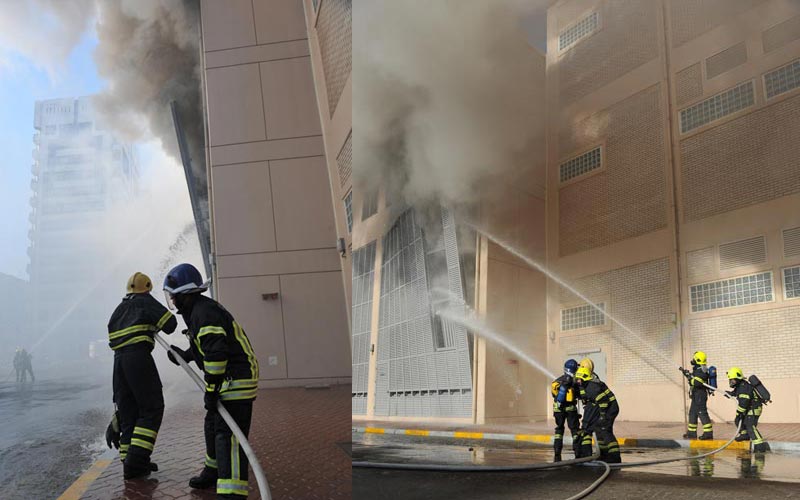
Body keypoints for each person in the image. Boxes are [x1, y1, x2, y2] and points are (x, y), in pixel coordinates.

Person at [163, 263, 259, 499]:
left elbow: (216, 355)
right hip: (228, 380)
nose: (172, 302)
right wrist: (185, 355)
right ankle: (213, 471)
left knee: (230, 438)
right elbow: (207, 346)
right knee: (212, 427)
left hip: (236, 381)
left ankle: (232, 492)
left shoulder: (203, 313)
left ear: (185, 294)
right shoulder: (198, 311)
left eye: (174, 297)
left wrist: (212, 389)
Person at [106, 272, 178, 479]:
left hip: (118, 363)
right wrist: (153, 323)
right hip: (138, 359)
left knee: (129, 414)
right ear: (146, 288)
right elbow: (170, 325)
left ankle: (129, 462)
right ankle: (136, 462)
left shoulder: (118, 310)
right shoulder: (144, 301)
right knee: (151, 408)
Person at [574, 366, 621, 463]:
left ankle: (615, 456)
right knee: (598, 429)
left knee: (605, 430)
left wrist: (603, 416)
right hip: (605, 408)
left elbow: (604, 402)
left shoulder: (592, 387)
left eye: (579, 379)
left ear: (585, 377)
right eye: (577, 379)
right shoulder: (586, 386)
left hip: (610, 409)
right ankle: (604, 454)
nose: (578, 381)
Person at [727, 367, 769, 452]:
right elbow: (736, 393)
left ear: (738, 378)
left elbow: (744, 401)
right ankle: (744, 435)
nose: (731, 382)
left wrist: (739, 412)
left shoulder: (744, 387)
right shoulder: (740, 386)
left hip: (754, 408)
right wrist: (729, 394)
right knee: (738, 420)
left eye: (732, 380)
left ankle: (760, 446)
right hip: (749, 408)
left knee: (750, 426)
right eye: (730, 380)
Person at [550, 359, 581, 461]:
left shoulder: (557, 381)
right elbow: (579, 395)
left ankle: (557, 452)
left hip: (558, 410)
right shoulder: (573, 381)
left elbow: (553, 394)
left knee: (559, 430)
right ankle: (577, 451)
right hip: (570, 409)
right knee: (575, 430)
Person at [681, 351, 713, 440]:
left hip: (700, 395)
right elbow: (694, 378)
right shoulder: (698, 369)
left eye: (694, 359)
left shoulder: (702, 370)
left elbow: (697, 382)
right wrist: (687, 374)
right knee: (693, 413)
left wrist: (690, 378)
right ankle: (691, 433)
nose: (692, 360)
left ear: (697, 360)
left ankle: (708, 433)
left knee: (702, 413)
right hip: (696, 394)